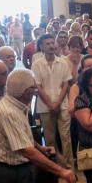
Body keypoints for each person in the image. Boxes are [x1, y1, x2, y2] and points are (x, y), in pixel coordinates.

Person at [0, 69, 76, 183]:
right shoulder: (8, 112)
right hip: (9, 173)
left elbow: (21, 136)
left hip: (19, 169)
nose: (36, 91)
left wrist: (39, 147)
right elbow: (27, 151)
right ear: (26, 92)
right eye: (34, 88)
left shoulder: (17, 105)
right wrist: (61, 171)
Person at [33, 33, 74, 161]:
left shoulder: (63, 62)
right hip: (45, 106)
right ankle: (55, 167)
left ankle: (68, 167)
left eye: (52, 43)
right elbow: (38, 87)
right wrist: (50, 104)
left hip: (62, 104)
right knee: (50, 138)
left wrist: (57, 103)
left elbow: (65, 84)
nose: (51, 46)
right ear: (41, 47)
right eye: (47, 44)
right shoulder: (37, 64)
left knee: (66, 138)